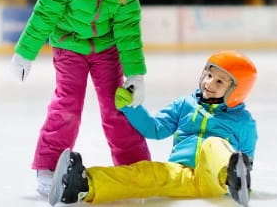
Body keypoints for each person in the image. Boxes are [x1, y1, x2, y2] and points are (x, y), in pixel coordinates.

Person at [9, 0, 151, 197]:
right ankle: (48, 167)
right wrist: (25, 53)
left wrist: (136, 72)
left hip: (106, 49)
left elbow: (128, 30)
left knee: (117, 108)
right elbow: (43, 17)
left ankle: (135, 166)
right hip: (69, 46)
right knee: (67, 105)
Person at [48, 50, 258, 206]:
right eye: (209, 75)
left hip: (215, 179)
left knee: (214, 145)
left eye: (220, 81)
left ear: (236, 91)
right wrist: (132, 107)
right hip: (181, 173)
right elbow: (155, 128)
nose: (209, 83)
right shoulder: (185, 105)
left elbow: (246, 159)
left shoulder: (243, 121)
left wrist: (238, 176)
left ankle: (231, 177)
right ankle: (83, 185)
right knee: (145, 172)